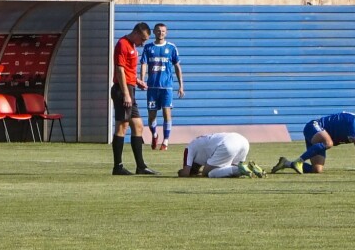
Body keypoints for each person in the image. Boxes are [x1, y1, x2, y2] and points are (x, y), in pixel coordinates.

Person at [271, 112, 355, 175]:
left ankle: (286, 163)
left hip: (320, 138)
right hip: (313, 127)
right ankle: (299, 161)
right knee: (328, 143)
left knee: (317, 170)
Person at [111, 22, 156, 175]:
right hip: (122, 90)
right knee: (122, 126)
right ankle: (118, 167)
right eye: (142, 39)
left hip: (130, 88)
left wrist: (137, 81)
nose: (143, 43)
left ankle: (141, 166)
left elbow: (129, 70)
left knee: (138, 126)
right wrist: (125, 93)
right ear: (136, 33)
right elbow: (119, 70)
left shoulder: (133, 47)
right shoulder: (122, 44)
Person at [139, 22, 184, 151]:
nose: (161, 33)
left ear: (166, 33)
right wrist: (142, 80)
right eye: (158, 31)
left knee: (166, 113)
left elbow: (177, 67)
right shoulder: (148, 47)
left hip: (167, 87)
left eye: (163, 31)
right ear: (154, 32)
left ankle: (165, 142)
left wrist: (181, 86)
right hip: (152, 87)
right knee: (152, 115)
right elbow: (143, 64)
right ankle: (154, 135)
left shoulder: (171, 47)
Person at [177, 132, 264, 178]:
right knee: (227, 169)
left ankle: (239, 169)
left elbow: (185, 173)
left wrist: (180, 172)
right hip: (243, 141)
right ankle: (249, 169)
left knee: (209, 173)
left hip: (227, 144)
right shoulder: (199, 143)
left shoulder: (189, 148)